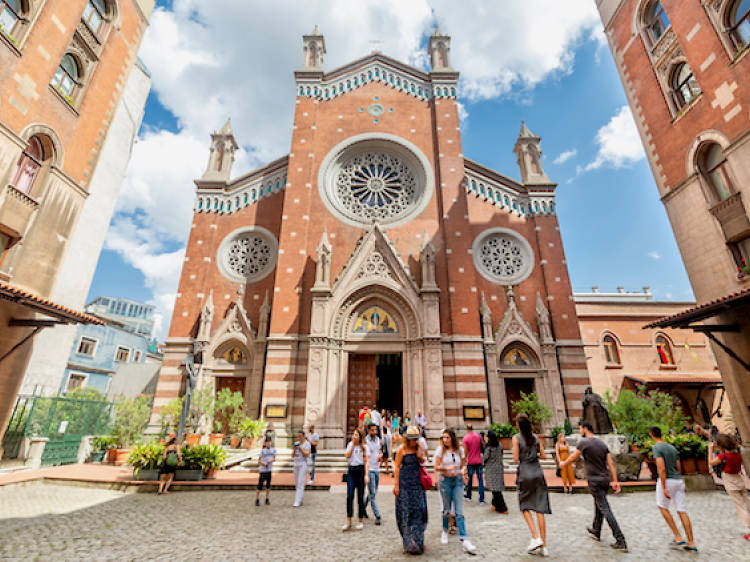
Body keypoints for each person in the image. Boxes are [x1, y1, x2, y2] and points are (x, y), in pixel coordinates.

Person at [560, 420, 627, 552]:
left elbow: (574, 457)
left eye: (580, 429)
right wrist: (615, 481)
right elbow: (611, 464)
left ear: (585, 428)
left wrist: (563, 464)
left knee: (605, 508)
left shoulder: (583, 443)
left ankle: (620, 539)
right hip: (605, 479)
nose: (579, 431)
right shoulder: (602, 444)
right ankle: (596, 530)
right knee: (599, 504)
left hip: (594, 480)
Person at [649, 426, 698, 552]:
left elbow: (661, 468)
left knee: (662, 507)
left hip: (667, 480)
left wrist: (664, 487)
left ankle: (678, 536)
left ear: (651, 435)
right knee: (682, 510)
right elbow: (678, 465)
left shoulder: (656, 447)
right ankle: (691, 543)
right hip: (678, 480)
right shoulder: (672, 447)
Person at [513, 413, 551, 556]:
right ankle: (544, 546)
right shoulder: (535, 437)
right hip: (538, 473)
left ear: (518, 425)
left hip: (525, 473)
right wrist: (534, 454)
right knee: (540, 509)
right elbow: (544, 456)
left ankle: (536, 537)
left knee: (524, 506)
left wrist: (523, 455)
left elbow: (515, 458)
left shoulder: (516, 438)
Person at [435, 428, 478, 553]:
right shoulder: (440, 450)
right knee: (446, 510)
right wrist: (447, 467)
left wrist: (464, 471)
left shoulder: (459, 450)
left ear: (452, 438)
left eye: (447, 437)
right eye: (443, 437)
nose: (445, 440)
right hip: (445, 481)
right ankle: (444, 531)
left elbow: (464, 463)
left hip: (458, 482)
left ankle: (464, 539)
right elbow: (436, 467)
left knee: (459, 511)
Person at [394, 426, 428, 554]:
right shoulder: (401, 450)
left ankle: (418, 540)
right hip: (404, 485)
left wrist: (419, 447)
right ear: (407, 439)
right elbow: (397, 467)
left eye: (416, 439)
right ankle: (409, 542)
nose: (414, 441)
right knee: (406, 512)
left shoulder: (417, 448)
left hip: (416, 484)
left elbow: (421, 459)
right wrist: (396, 485)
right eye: (412, 439)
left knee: (419, 511)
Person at [709, 433, 750, 539]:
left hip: (730, 481)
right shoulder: (737, 455)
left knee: (740, 507)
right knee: (746, 503)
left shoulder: (723, 456)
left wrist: (710, 450)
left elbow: (711, 463)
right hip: (739, 479)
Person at [342, 427, 368, 531]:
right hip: (351, 471)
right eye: (353, 434)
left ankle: (360, 520)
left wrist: (366, 475)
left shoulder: (364, 447)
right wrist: (353, 445)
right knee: (349, 496)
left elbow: (366, 461)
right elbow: (347, 456)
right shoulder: (350, 445)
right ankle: (349, 521)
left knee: (360, 497)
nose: (354, 436)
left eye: (356, 435)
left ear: (360, 437)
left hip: (361, 471)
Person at [483, 430, 507, 514]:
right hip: (499, 467)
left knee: (496, 489)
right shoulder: (499, 445)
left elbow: (485, 457)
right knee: (496, 487)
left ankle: (502, 507)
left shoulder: (489, 446)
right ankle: (494, 504)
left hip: (491, 468)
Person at [363, 423, 383, 525]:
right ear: (368, 430)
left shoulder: (377, 439)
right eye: (372, 430)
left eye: (376, 430)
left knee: (373, 492)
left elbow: (379, 451)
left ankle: (362, 508)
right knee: (373, 494)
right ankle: (377, 515)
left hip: (377, 468)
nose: (374, 432)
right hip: (369, 469)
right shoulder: (365, 441)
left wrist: (380, 454)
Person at [463, 424, 485, 504]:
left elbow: (465, 451)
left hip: (471, 461)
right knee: (480, 480)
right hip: (479, 460)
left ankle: (469, 496)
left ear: (467, 429)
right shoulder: (478, 436)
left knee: (470, 479)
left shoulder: (466, 438)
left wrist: (465, 460)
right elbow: (482, 446)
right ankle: (481, 498)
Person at [255, 435, 276, 506]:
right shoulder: (262, 451)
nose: (268, 444)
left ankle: (267, 498)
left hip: (269, 470)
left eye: (269, 442)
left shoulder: (273, 450)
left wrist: (270, 460)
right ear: (265, 443)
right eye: (267, 442)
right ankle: (257, 499)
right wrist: (263, 463)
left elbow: (274, 458)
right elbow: (259, 461)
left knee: (268, 485)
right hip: (263, 470)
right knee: (260, 485)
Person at [293, 430, 311, 507]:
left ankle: (297, 501)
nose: (299, 438)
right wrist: (294, 450)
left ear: (303, 436)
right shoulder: (296, 443)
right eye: (298, 436)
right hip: (296, 464)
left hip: (303, 464)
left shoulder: (307, 444)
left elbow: (307, 454)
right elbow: (292, 455)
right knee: (297, 483)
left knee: (300, 482)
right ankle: (300, 498)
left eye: (300, 436)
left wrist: (300, 449)